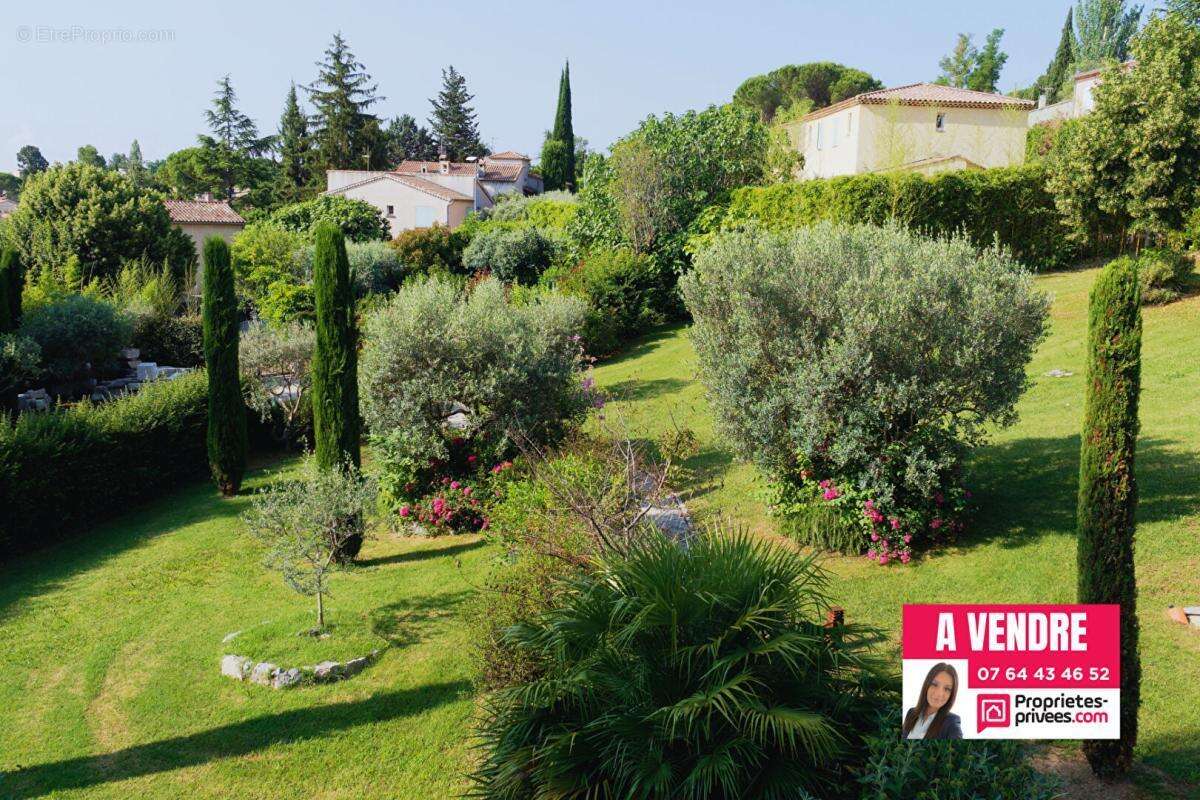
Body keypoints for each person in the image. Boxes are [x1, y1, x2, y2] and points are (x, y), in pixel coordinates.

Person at [902, 662, 962, 740]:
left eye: (947, 689)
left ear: (951, 694)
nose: (939, 693)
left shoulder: (951, 723)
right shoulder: (911, 713)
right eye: (934, 684)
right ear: (926, 685)